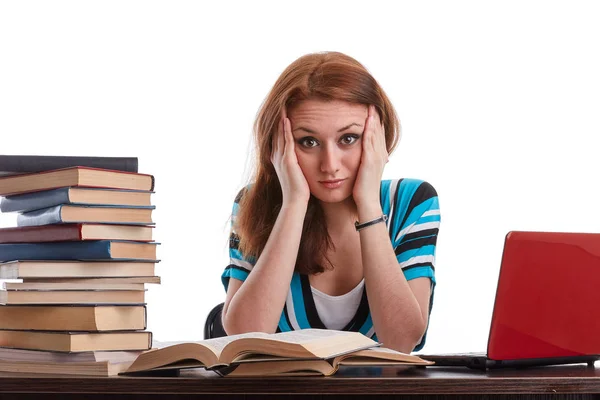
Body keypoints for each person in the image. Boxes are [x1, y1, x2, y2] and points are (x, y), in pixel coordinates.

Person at [220, 51, 440, 353]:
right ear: (279, 144)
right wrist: (294, 204)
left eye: (348, 138)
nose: (330, 164)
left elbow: (401, 340)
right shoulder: (252, 204)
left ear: (378, 136)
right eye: (308, 142)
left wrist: (369, 204)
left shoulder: (411, 202)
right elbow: (245, 336)